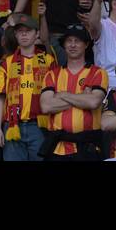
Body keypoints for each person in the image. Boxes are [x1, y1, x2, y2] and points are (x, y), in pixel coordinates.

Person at [39, 24, 107, 160]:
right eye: (69, 41)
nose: (73, 45)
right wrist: (82, 98)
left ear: (86, 44)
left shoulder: (98, 73)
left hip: (88, 147)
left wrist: (63, 95)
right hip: (57, 148)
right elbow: (46, 106)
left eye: (78, 41)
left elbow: (93, 102)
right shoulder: (52, 74)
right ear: (64, 45)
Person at [0, 14, 53, 160]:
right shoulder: (7, 62)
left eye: (29, 30)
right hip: (13, 126)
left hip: (39, 126)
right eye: (20, 31)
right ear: (15, 34)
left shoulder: (48, 61)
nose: (24, 34)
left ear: (37, 33)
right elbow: (0, 97)